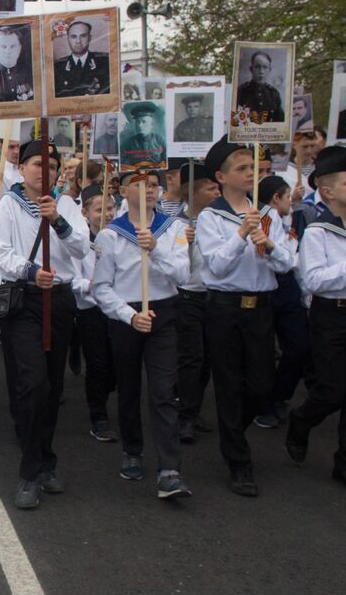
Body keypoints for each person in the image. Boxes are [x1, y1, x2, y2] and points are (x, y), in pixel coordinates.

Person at [0, 139, 89, 509]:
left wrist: (58, 221)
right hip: (26, 302)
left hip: (59, 301)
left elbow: (82, 248)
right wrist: (30, 270)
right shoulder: (9, 204)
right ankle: (30, 472)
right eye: (35, 163)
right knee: (33, 383)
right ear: (22, 169)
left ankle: (46, 459)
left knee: (52, 386)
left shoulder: (66, 205)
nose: (42, 170)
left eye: (50, 164)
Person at [284, 146, 346, 494]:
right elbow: (314, 281)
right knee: (331, 390)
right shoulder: (318, 232)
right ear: (327, 191)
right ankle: (301, 420)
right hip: (332, 315)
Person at [195, 139, 294, 496]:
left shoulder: (268, 215)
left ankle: (234, 428)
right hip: (224, 308)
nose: (250, 174)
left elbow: (287, 264)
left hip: (261, 307)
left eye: (252, 168)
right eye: (241, 168)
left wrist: (268, 243)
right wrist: (240, 234)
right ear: (221, 177)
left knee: (261, 384)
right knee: (228, 384)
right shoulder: (210, 217)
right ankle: (239, 460)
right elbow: (217, 267)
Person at [91, 169, 192, 498]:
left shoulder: (172, 227)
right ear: (122, 190)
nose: (149, 190)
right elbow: (102, 288)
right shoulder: (111, 235)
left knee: (164, 390)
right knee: (129, 387)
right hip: (127, 316)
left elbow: (184, 274)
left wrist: (157, 249)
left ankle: (169, 468)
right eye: (141, 184)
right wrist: (129, 316)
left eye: (153, 185)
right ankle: (132, 450)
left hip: (164, 312)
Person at [251, 174, 307, 430]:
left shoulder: (296, 217)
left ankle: (281, 394)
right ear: (276, 198)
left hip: (290, 288)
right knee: (262, 351)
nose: (291, 202)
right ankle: (263, 402)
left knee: (298, 347)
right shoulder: (259, 218)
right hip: (267, 285)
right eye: (287, 198)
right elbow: (266, 255)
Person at [74, 182, 119, 443]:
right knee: (98, 364)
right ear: (86, 213)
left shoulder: (121, 237)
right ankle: (98, 415)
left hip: (117, 308)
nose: (107, 214)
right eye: (100, 209)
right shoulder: (80, 245)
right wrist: (90, 284)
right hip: (91, 310)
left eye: (111, 207)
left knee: (115, 365)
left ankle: (105, 394)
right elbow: (71, 280)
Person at [175, 162, 217, 443]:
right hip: (187, 296)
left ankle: (194, 404)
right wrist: (185, 244)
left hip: (214, 296)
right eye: (210, 188)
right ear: (193, 193)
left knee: (208, 359)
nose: (216, 192)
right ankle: (185, 415)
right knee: (192, 357)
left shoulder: (218, 220)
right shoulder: (177, 224)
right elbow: (177, 266)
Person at [53, 20, 110, 97]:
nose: (78, 41)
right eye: (73, 37)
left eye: (83, 36)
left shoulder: (106, 62)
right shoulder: (57, 67)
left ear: (89, 38)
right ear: (68, 39)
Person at [0, 25, 33, 103]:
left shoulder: (31, 74)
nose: (8, 51)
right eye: (3, 47)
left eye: (13, 46)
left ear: (19, 48)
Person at [235, 50, 285, 123]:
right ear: (251, 69)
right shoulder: (241, 91)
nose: (261, 71)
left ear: (269, 70)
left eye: (265, 67)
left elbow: (280, 122)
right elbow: (236, 122)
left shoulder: (274, 93)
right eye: (257, 67)